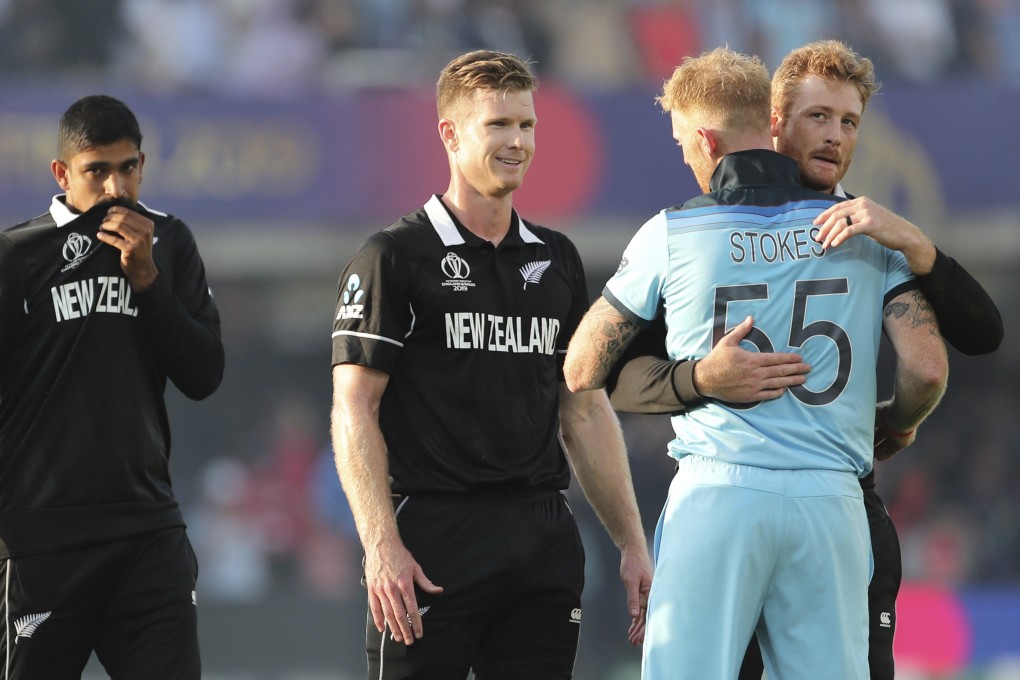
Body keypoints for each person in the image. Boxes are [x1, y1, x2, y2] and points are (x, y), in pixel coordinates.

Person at [605, 40, 1003, 680]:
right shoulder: (866, 238)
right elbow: (938, 361)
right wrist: (898, 422)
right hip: (834, 507)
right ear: (772, 121)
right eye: (818, 116)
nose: (834, 136)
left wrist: (693, 380)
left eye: (849, 122)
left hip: (726, 500)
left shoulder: (696, 234)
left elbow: (603, 368)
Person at [329, 49, 652, 679]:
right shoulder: (393, 256)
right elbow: (353, 407)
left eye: (527, 125)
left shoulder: (558, 259)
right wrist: (379, 545)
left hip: (541, 540)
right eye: (498, 125)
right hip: (430, 538)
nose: (518, 142)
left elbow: (584, 410)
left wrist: (632, 542)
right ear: (449, 134)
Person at [0, 95, 224, 679]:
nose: (114, 187)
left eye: (127, 168)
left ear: (143, 165)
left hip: (147, 531)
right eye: (96, 170)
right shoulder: (16, 255)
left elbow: (204, 376)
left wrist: (149, 281)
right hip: (43, 538)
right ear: (62, 173)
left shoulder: (169, 243)